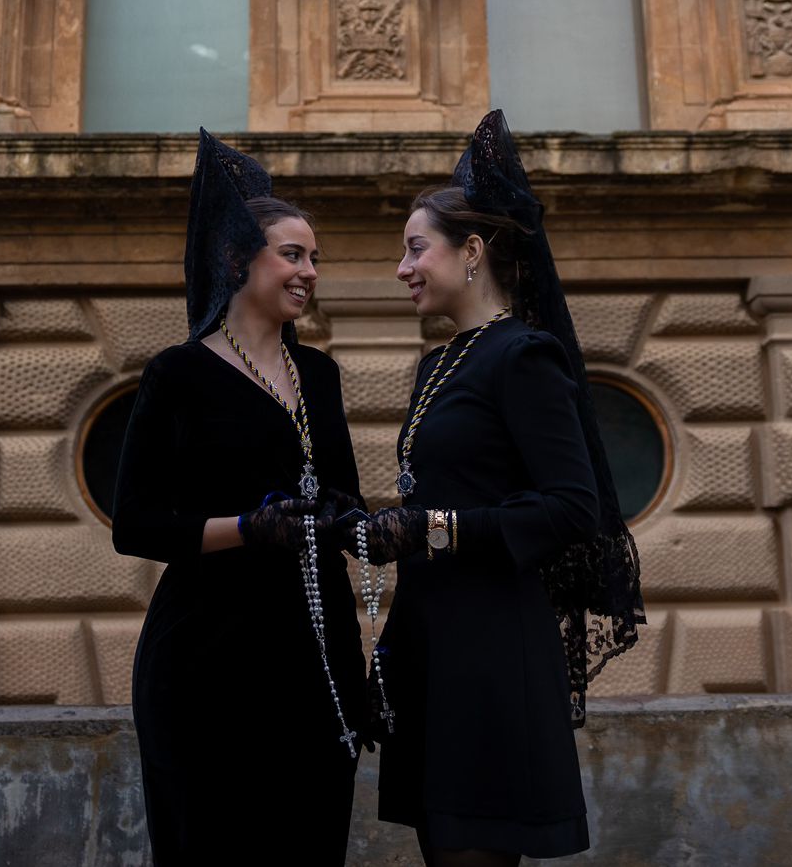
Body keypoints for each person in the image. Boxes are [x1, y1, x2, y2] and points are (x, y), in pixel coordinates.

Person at [343, 109, 646, 866]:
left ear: (471, 250)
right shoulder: (436, 363)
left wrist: (433, 530)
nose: (403, 268)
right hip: (431, 647)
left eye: (416, 249)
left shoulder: (523, 357)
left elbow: (573, 507)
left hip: (491, 651)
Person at [111, 130, 367, 865]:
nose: (310, 271)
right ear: (236, 259)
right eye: (293, 254)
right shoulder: (179, 374)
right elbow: (136, 525)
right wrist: (250, 530)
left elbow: (342, 499)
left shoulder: (319, 375)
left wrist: (374, 525)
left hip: (315, 657)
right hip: (205, 662)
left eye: (315, 257)